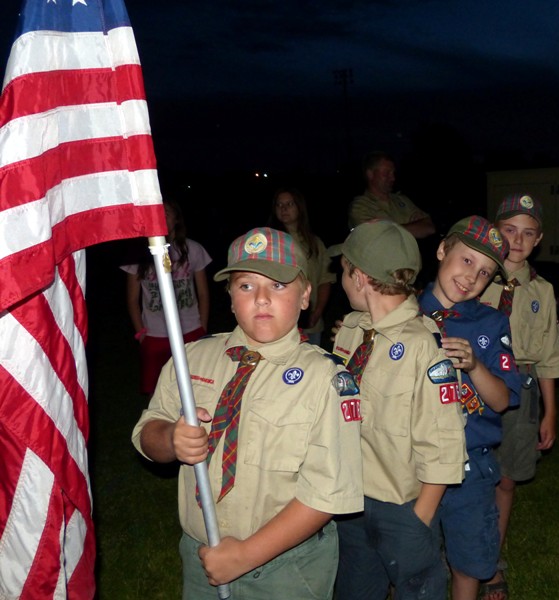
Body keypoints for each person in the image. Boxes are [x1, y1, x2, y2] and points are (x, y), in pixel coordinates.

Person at [131, 227, 363, 599]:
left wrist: (244, 556)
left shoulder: (326, 379)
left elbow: (327, 492)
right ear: (229, 296)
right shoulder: (192, 358)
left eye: (278, 286)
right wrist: (170, 440)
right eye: (246, 286)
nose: (261, 299)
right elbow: (147, 432)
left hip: (287, 566)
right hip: (202, 554)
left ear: (305, 296)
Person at [330, 220, 467, 600]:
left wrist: (419, 519)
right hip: (351, 501)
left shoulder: (423, 345)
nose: (340, 280)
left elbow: (444, 443)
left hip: (403, 507)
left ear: (359, 277)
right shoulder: (352, 332)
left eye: (342, 271)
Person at [418, 215, 521, 600]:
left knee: (470, 560)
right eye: (466, 261)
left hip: (470, 466)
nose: (471, 277)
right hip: (413, 461)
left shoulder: (492, 324)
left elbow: (503, 400)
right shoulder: (403, 313)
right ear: (443, 249)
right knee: (416, 557)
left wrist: (476, 365)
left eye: (484, 272)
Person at [478, 194, 559, 598]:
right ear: (494, 231)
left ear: (539, 239)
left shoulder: (543, 291)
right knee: (463, 473)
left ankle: (491, 560)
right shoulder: (472, 277)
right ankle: (461, 547)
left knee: (507, 477)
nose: (518, 239)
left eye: (528, 233)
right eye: (509, 230)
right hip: (475, 384)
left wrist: (551, 413)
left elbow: (549, 352)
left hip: (524, 388)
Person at [121, 198, 211, 396]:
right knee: (157, 391)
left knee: (194, 385)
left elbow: (203, 293)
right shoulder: (138, 254)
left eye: (166, 214)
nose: (161, 219)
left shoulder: (193, 249)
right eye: (156, 215)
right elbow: (132, 300)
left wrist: (202, 326)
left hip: (190, 330)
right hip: (154, 334)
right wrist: (140, 334)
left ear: (176, 220)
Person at [268, 187, 335, 346]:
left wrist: (317, 311)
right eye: (279, 205)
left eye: (289, 204)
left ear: (299, 207)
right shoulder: (269, 241)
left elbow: (325, 280)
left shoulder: (315, 243)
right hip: (278, 319)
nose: (283, 208)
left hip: (309, 322)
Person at [348, 150, 436, 239]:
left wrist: (388, 229)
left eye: (393, 173)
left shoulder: (402, 200)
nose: (393, 178)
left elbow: (429, 227)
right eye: (386, 173)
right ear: (370, 174)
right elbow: (376, 237)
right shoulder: (360, 207)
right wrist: (414, 226)